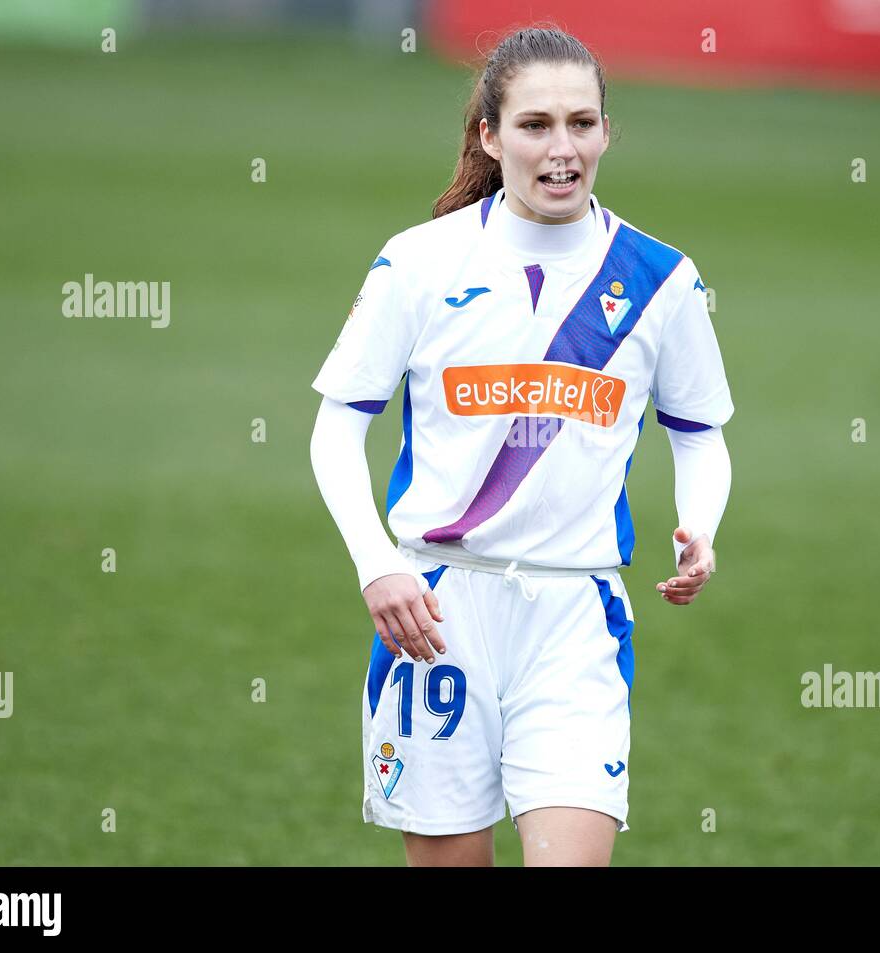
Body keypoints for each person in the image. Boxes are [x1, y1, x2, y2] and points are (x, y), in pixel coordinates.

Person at [309, 25, 733, 867]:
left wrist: (699, 525)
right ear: (489, 136)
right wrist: (375, 563)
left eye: (582, 122)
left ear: (608, 132)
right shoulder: (419, 264)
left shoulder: (662, 280)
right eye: (536, 125)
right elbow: (335, 430)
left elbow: (701, 436)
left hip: (577, 618)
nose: (562, 147)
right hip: (434, 613)